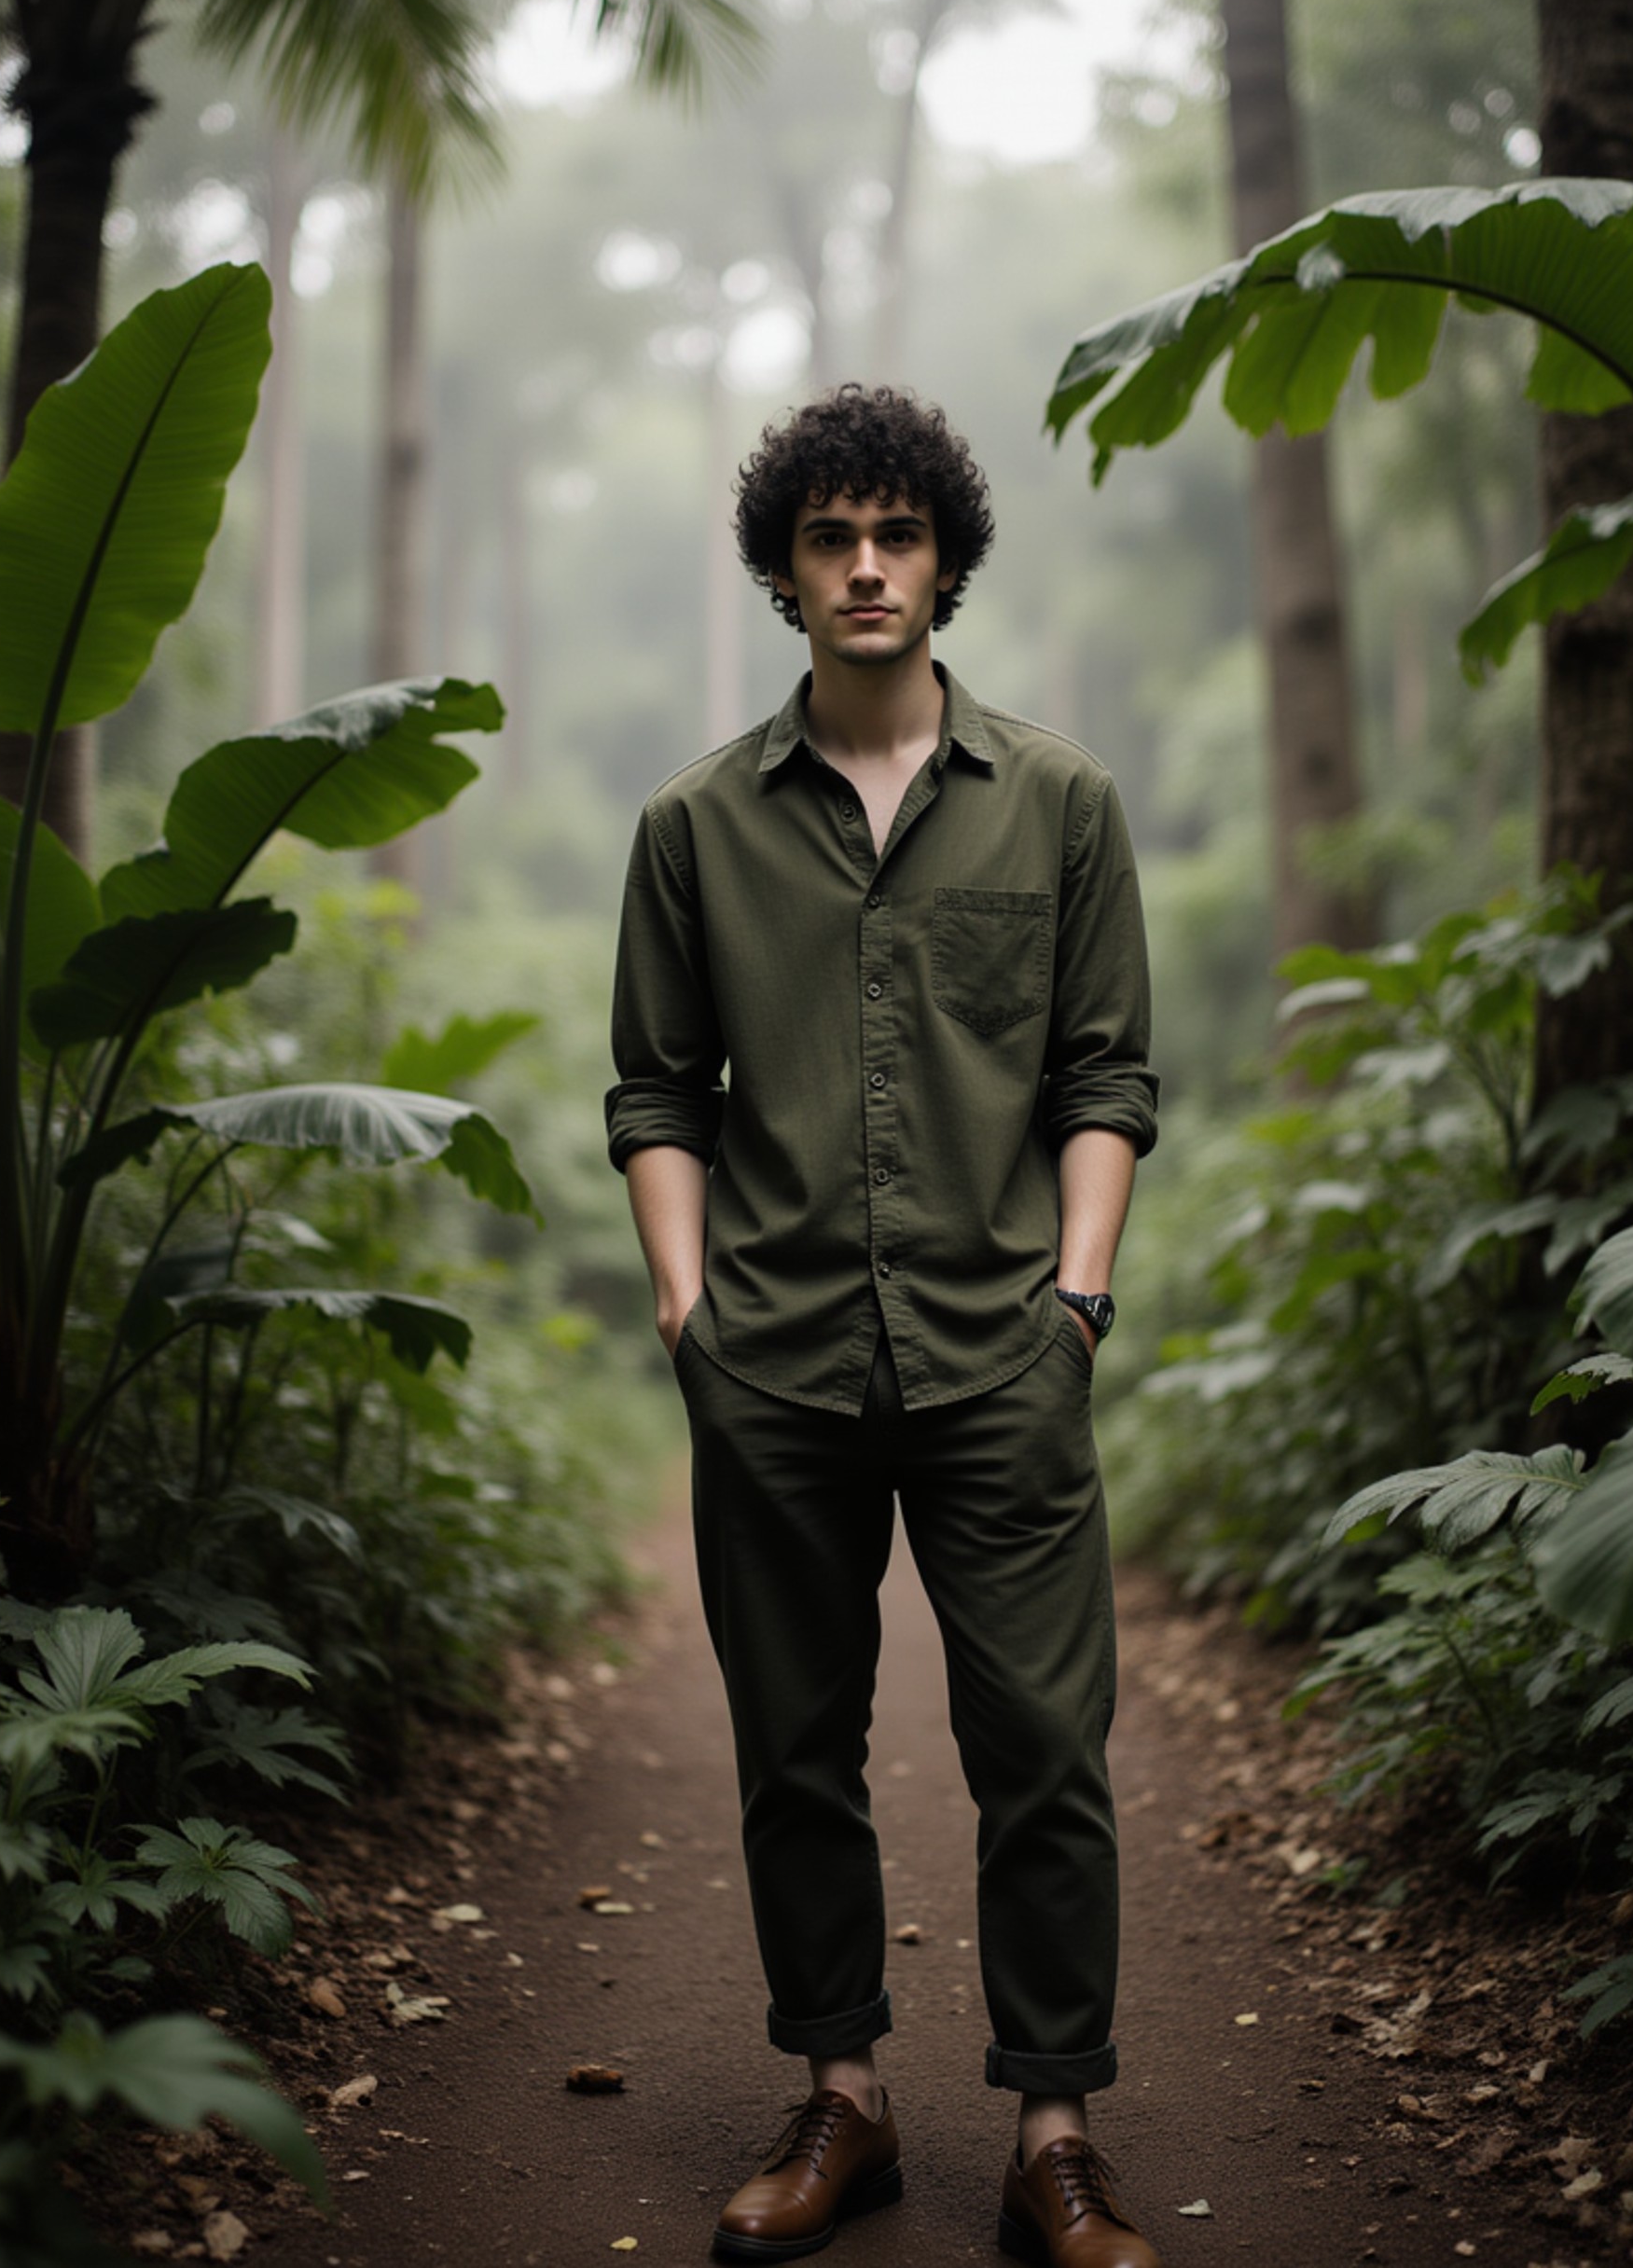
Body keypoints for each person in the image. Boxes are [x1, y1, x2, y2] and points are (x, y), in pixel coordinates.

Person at [605, 384, 1160, 2268]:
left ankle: (1055, 2134)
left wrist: (1076, 1293)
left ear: (944, 559)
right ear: (783, 569)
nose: (865, 565)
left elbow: (1104, 1072)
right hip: (771, 1357)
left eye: (896, 532)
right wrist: (691, 1308)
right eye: (829, 536)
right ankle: (841, 2099)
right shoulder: (693, 826)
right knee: (793, 1743)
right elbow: (656, 1090)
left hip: (1004, 1346)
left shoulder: (1061, 801)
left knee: (1042, 1743)